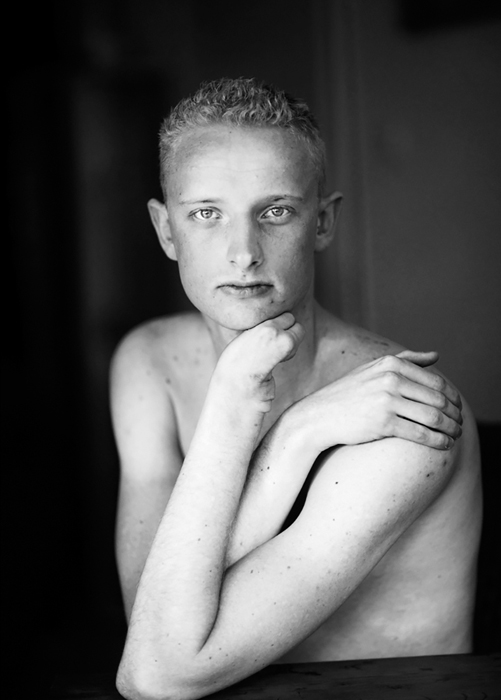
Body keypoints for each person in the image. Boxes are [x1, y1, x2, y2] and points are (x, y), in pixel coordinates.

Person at [112, 78, 481, 700]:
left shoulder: (403, 410)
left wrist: (272, 428)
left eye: (275, 211)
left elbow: (158, 672)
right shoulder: (152, 361)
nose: (243, 253)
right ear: (166, 230)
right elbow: (149, 616)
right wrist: (288, 437)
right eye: (206, 214)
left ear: (322, 222)